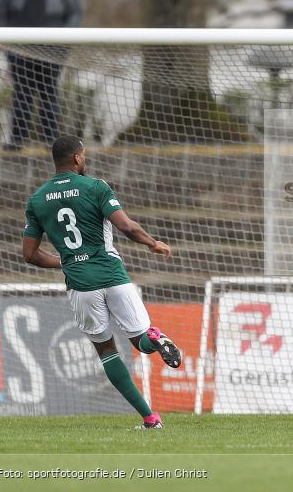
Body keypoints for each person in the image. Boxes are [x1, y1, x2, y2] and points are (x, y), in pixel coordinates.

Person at [22, 136, 180, 429]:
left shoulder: (37, 199)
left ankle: (150, 418)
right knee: (141, 340)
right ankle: (157, 338)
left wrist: (67, 261)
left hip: (81, 286)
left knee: (106, 351)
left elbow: (30, 255)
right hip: (113, 275)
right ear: (78, 159)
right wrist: (153, 243)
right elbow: (127, 226)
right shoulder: (96, 187)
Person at [0, 0, 82, 150]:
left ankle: (51, 143)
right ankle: (17, 142)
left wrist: (63, 43)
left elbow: (74, 15)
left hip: (52, 52)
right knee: (22, 95)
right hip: (21, 52)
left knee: (49, 96)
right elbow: (1, 15)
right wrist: (8, 44)